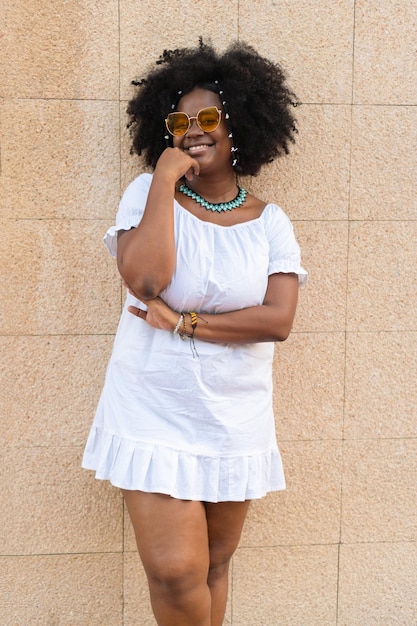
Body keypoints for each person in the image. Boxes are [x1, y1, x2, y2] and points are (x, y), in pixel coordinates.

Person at [83, 39, 307, 626]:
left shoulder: (271, 222)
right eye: (179, 121)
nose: (192, 130)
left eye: (208, 117)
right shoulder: (147, 194)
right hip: (153, 404)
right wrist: (162, 177)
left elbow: (277, 320)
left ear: (242, 126)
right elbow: (147, 276)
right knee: (178, 572)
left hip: (235, 414)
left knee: (212, 565)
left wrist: (185, 323)